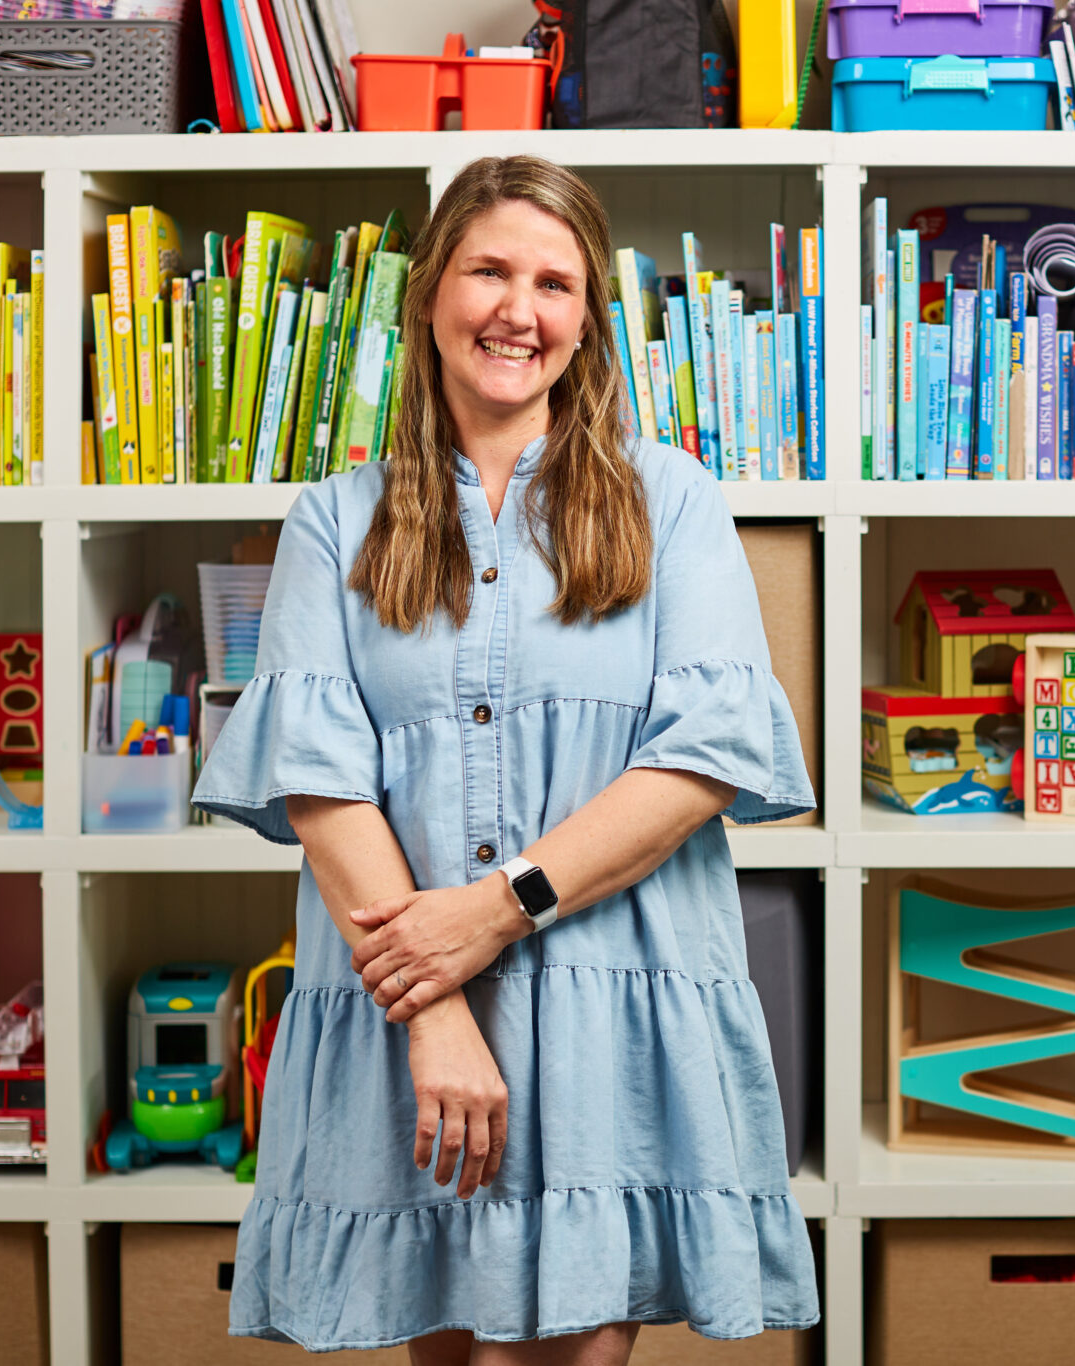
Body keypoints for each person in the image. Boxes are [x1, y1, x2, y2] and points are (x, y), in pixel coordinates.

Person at [192, 154, 820, 1366]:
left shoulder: (672, 503)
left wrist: (494, 910)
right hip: (398, 1010)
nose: (516, 311)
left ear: (586, 324)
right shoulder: (333, 518)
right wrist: (432, 1005)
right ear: (430, 292)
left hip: (609, 1005)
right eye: (488, 270)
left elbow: (698, 763)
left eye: (553, 284)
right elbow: (323, 786)